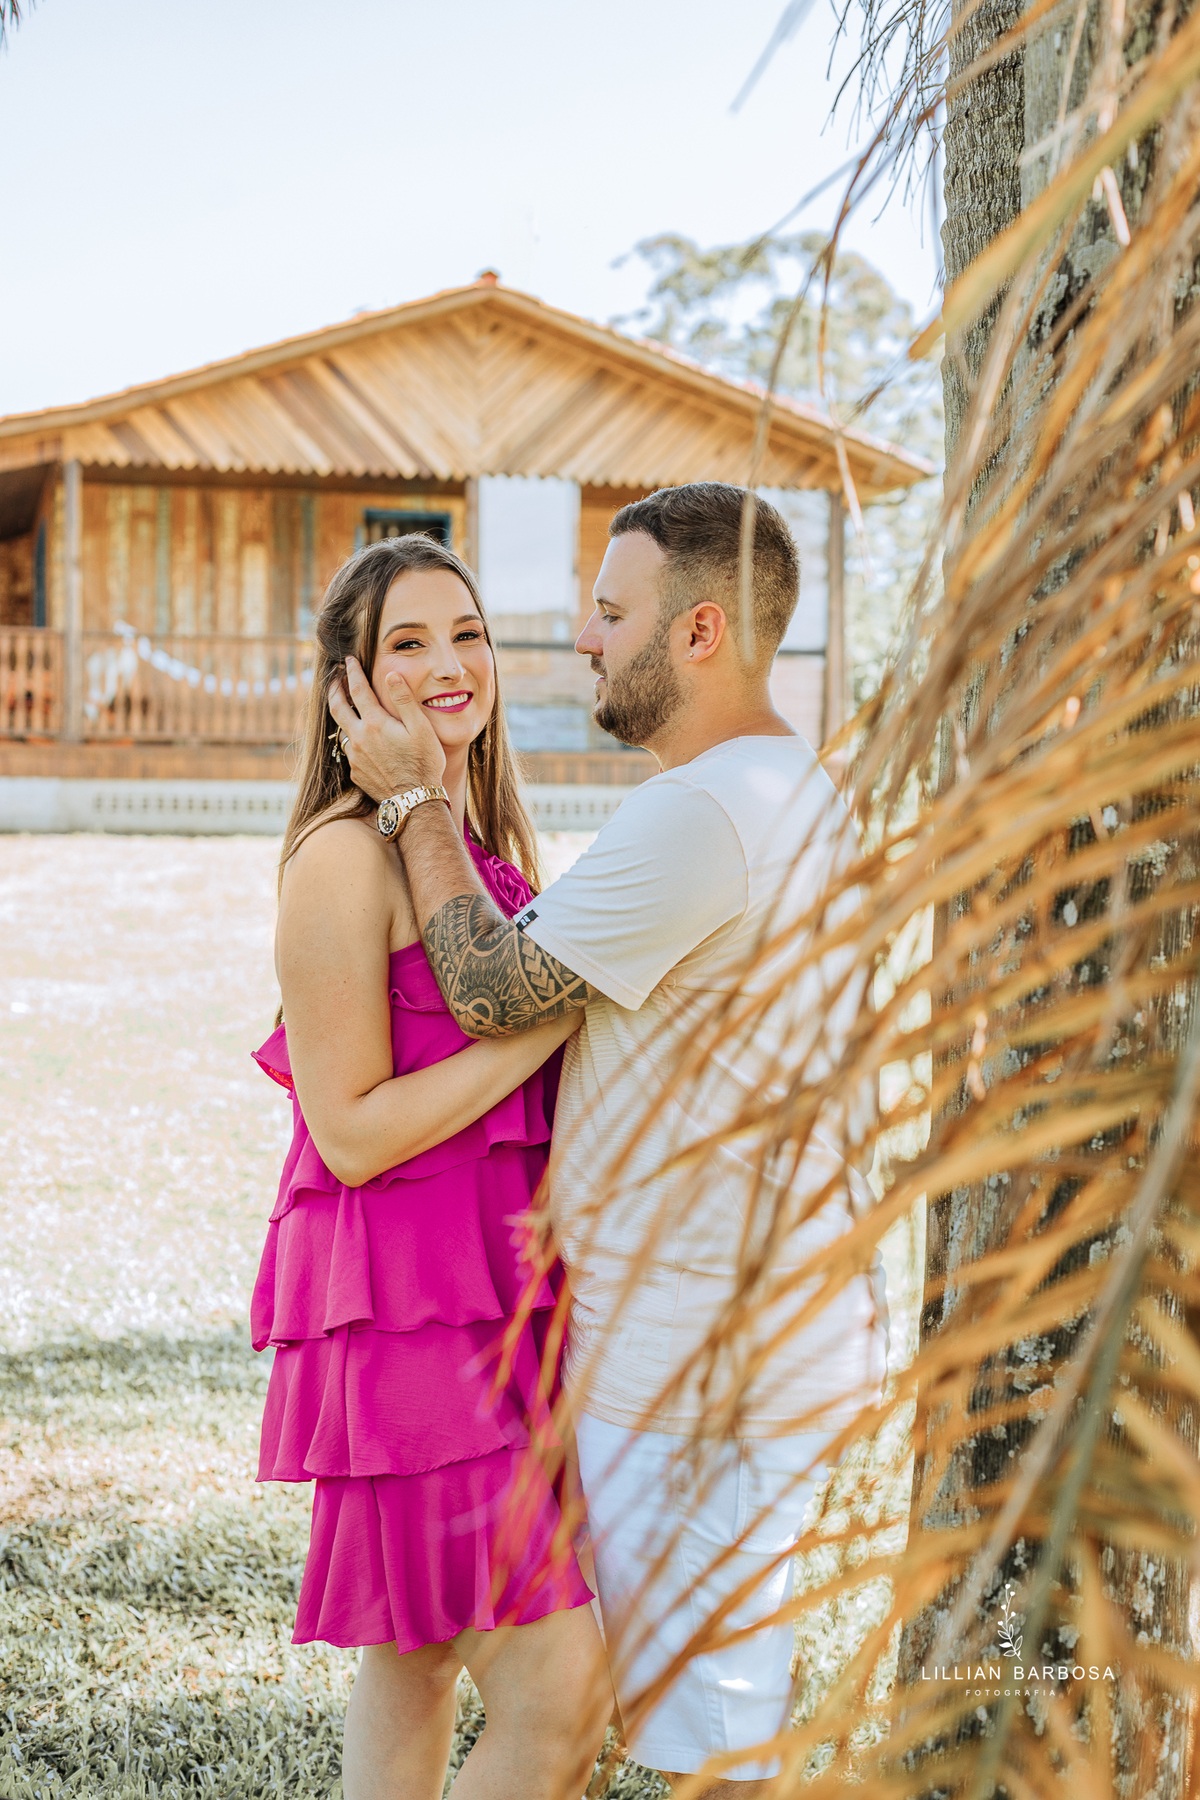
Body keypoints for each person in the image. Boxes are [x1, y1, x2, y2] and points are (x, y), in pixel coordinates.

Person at [329, 484, 887, 1798]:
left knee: (707, 1753)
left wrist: (416, 805)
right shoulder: (779, 787)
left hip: (701, 1363)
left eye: (610, 609)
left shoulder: (707, 813)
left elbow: (492, 990)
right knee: (580, 1702)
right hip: (710, 1333)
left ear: (696, 633)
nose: (580, 637)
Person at [250, 535, 610, 1800]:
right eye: (408, 643)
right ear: (351, 688)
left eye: (468, 634)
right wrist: (551, 1024)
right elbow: (345, 1129)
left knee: (414, 1665)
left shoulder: (477, 841)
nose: (451, 665)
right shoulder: (342, 858)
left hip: (504, 1303)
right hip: (406, 1321)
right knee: (563, 1691)